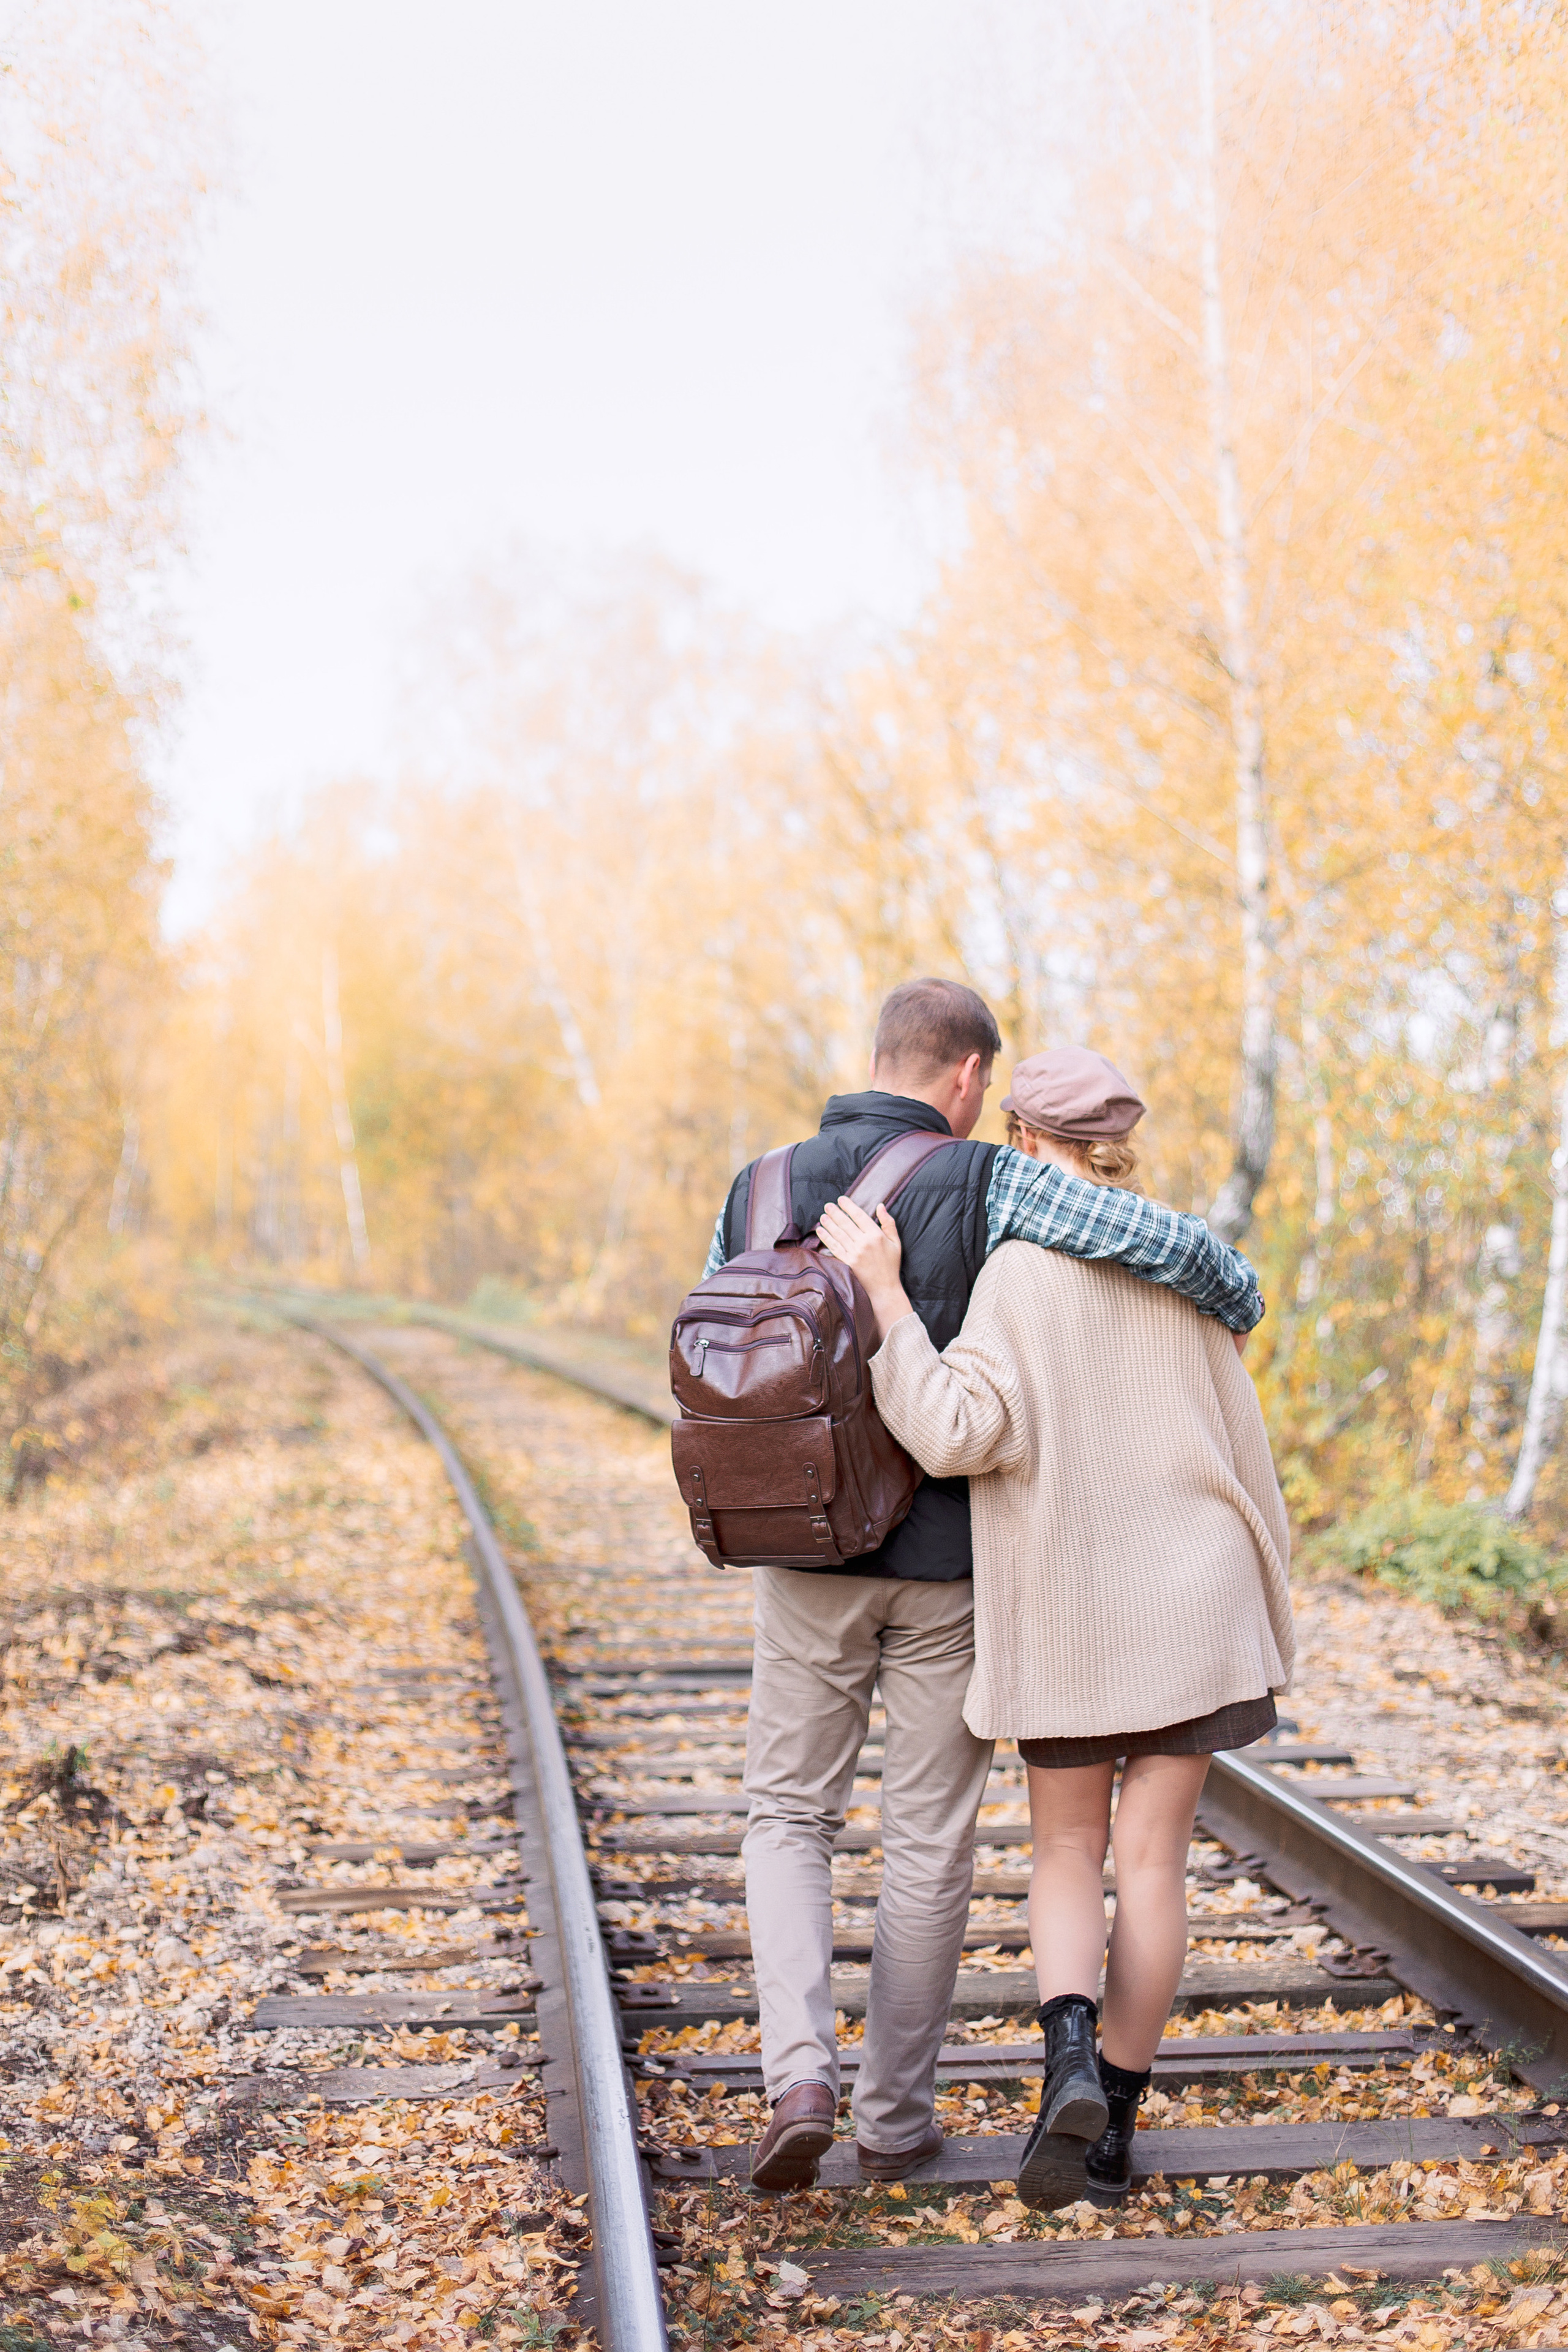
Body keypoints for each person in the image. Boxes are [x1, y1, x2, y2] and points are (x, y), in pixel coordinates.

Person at [702, 984, 1270, 2193]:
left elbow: (727, 1359)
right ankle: (897, 2122)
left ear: (877, 1054)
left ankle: (797, 2076)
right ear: (967, 1077)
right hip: (942, 1566)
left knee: (786, 1817)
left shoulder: (756, 1186)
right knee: (928, 1842)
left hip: (802, 1557)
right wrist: (1237, 1290)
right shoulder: (990, 1187)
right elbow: (1168, 1253)